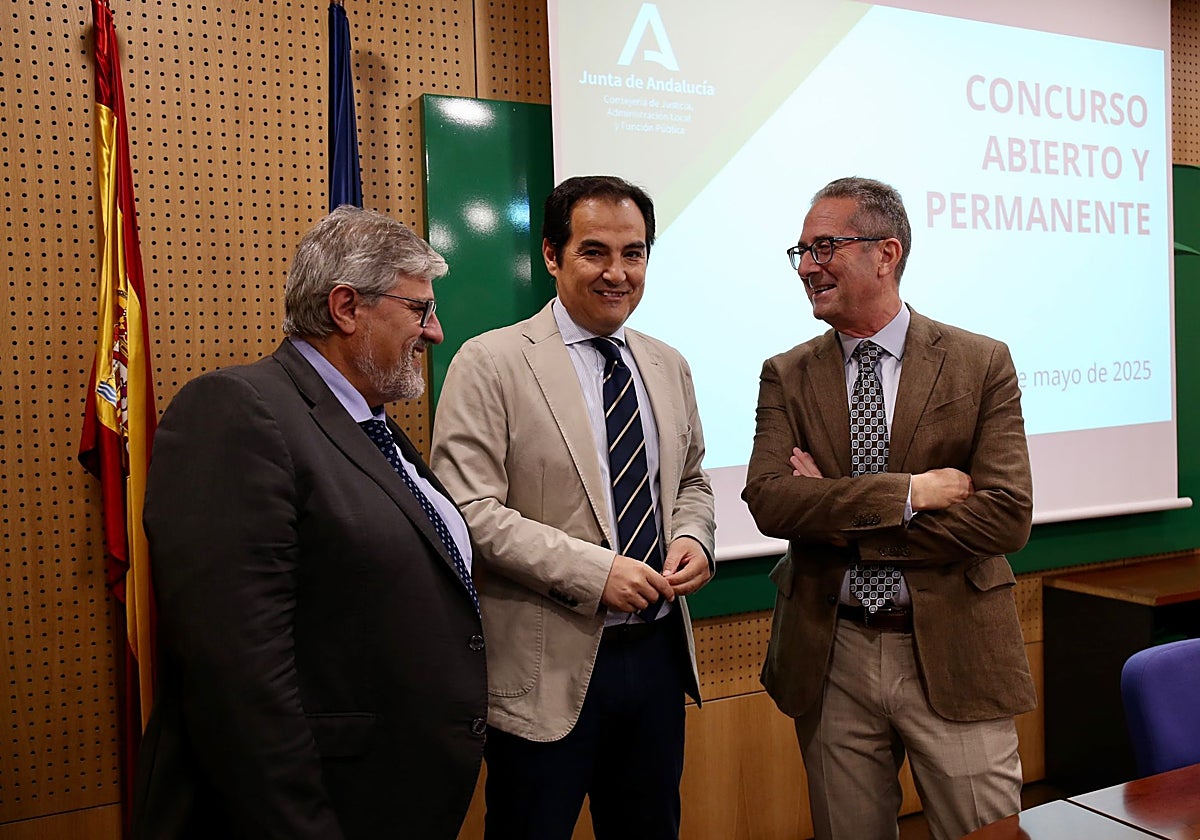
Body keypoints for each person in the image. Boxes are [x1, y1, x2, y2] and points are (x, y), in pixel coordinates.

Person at [133, 206, 487, 839]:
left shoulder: (370, 424)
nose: (435, 331)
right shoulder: (238, 411)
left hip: (390, 802)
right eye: (419, 309)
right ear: (347, 307)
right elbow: (239, 678)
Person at [742, 177, 1036, 840]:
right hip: (831, 651)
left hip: (956, 647)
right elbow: (768, 500)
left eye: (826, 247)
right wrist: (908, 494)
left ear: (886, 252)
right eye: (802, 251)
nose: (809, 266)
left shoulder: (980, 362)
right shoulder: (786, 373)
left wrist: (831, 510)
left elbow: (1005, 516)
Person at [430, 175, 716, 840]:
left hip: (656, 658)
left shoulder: (668, 364)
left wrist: (695, 539)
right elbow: (468, 512)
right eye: (594, 252)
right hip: (543, 672)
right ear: (552, 256)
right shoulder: (491, 361)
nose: (618, 273)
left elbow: (693, 483)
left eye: (634, 253)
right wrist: (598, 573)